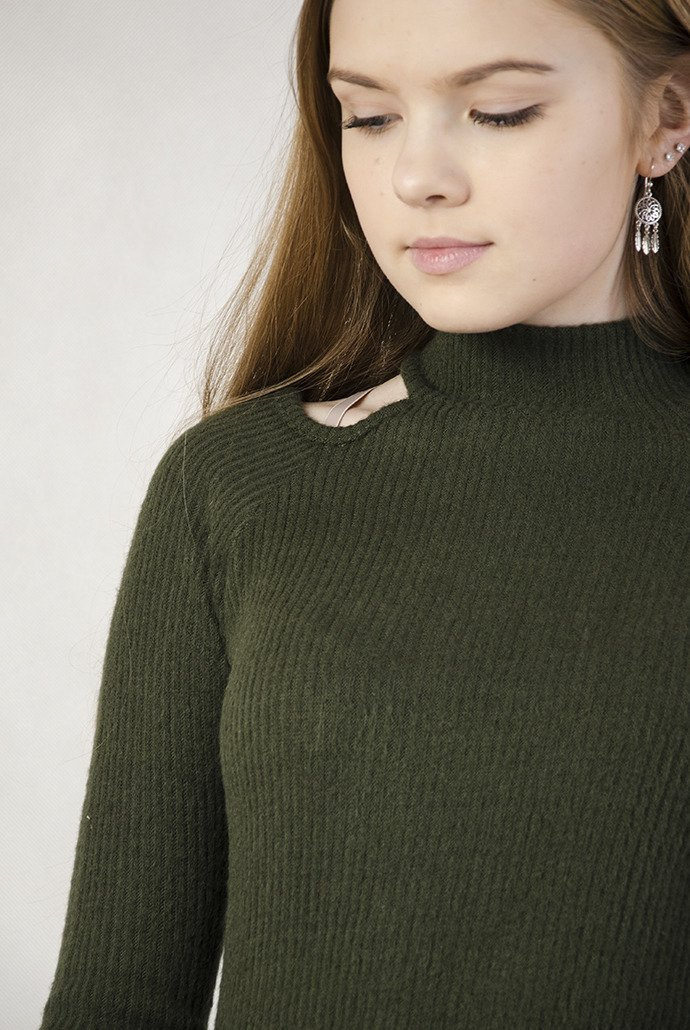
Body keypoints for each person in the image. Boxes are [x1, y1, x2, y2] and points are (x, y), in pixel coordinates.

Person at [40, 0, 690, 1027]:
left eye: (499, 110)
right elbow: (115, 1000)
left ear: (667, 117)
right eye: (371, 116)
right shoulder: (236, 486)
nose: (416, 176)